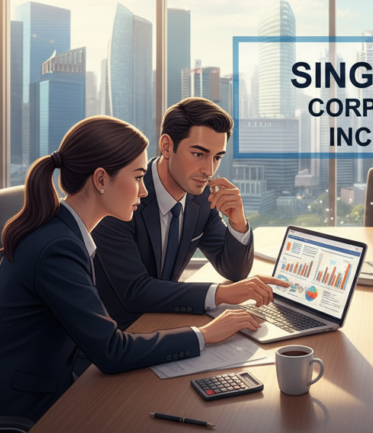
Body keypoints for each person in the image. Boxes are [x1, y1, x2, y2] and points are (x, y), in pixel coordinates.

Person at [0, 116, 266, 423]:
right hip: (17, 407)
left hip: (45, 381)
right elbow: (112, 352)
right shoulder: (59, 247)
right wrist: (205, 335)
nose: (143, 191)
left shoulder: (64, 230)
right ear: (101, 180)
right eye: (138, 177)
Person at [92, 98, 287, 328]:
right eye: (198, 154)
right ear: (166, 146)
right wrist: (221, 294)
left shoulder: (202, 198)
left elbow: (233, 270)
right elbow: (135, 291)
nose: (209, 170)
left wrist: (237, 222)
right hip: (112, 334)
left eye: (217, 157)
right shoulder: (123, 194)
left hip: (163, 321)